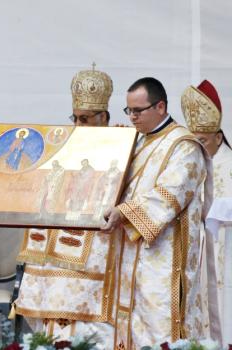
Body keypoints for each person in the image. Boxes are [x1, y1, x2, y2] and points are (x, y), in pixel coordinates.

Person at [102, 77, 210, 348]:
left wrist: (123, 213)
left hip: (164, 261)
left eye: (138, 111)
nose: (132, 118)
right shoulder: (137, 142)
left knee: (158, 327)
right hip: (131, 256)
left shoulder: (183, 146)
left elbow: (170, 195)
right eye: (128, 111)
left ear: (160, 107)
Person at [15, 66, 117, 349]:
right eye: (75, 118)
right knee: (53, 315)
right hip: (56, 246)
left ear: (104, 117)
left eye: (85, 119)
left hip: (96, 251)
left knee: (88, 325)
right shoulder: (66, 146)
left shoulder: (121, 146)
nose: (78, 125)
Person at [182, 79, 231, 345]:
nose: (196, 148)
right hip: (197, 252)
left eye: (202, 141)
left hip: (225, 251)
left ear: (218, 137)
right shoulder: (192, 163)